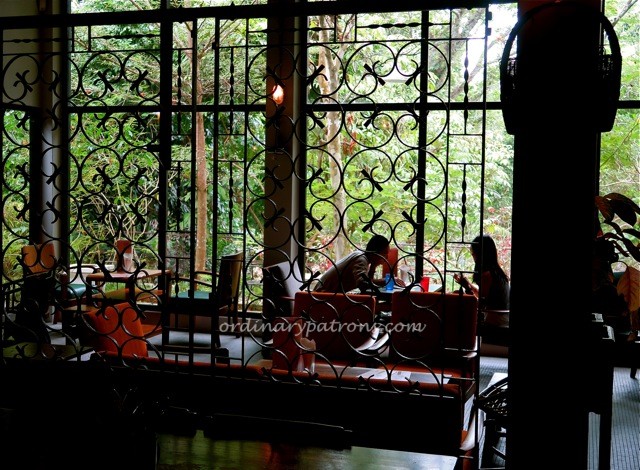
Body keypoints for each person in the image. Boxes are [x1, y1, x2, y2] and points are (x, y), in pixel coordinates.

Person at [313, 234, 395, 294]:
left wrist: (373, 266)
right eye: (384, 253)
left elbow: (367, 284)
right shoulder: (361, 259)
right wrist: (387, 280)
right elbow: (363, 284)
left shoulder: (362, 256)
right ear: (375, 252)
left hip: (328, 295)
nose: (386, 258)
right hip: (322, 296)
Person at [454, 234, 510, 310]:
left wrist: (467, 288)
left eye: (474, 252)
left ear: (480, 253)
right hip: (500, 315)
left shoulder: (487, 275)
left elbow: (481, 305)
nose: (472, 255)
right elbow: (481, 294)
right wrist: (468, 283)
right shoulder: (496, 271)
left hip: (493, 316)